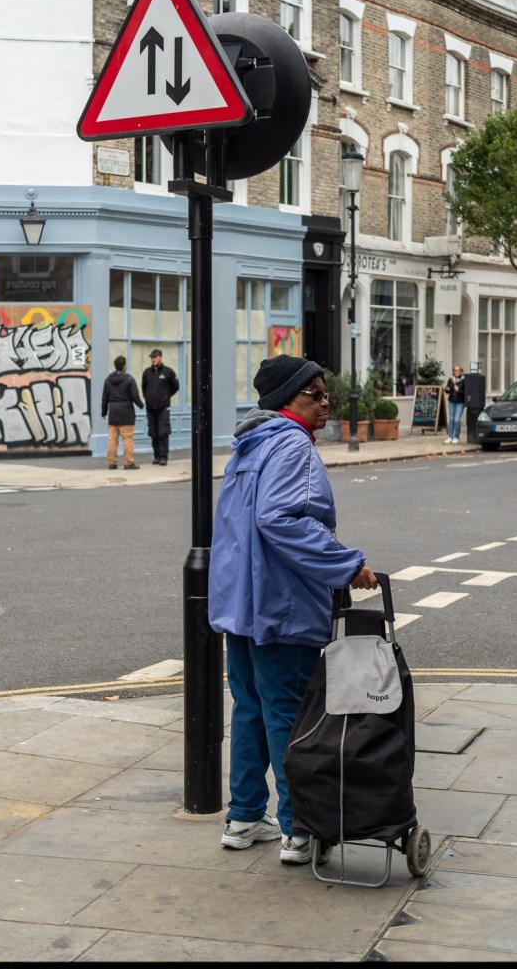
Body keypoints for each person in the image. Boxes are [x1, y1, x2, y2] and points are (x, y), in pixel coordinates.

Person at [208, 354, 378, 865]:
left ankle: (242, 818)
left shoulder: (249, 446)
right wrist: (347, 565)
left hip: (240, 607)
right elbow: (280, 520)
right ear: (287, 400)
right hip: (278, 607)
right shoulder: (293, 445)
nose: (326, 403)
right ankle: (297, 830)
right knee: (292, 716)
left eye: (325, 394)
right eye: (316, 394)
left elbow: (242, 528)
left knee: (251, 710)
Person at [101, 355, 144, 470]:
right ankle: (128, 462)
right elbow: (135, 396)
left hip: (113, 413)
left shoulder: (108, 380)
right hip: (126, 414)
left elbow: (105, 397)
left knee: (112, 440)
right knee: (127, 438)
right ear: (124, 366)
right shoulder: (129, 379)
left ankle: (112, 462)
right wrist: (141, 405)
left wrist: (103, 412)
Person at [141, 348, 179, 465]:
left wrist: (166, 396)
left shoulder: (168, 372)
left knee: (163, 433)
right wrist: (148, 398)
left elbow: (176, 386)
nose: (153, 359)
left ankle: (163, 457)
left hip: (163, 408)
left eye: (155, 357)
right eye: (152, 357)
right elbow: (144, 388)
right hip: (151, 408)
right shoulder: (147, 372)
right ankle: (156, 456)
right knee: (153, 433)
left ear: (160, 358)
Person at [444, 364, 465, 444]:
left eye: (458, 370)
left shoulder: (464, 380)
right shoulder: (451, 379)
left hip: (460, 402)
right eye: (455, 370)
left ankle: (456, 437)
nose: (456, 372)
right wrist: (447, 389)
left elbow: (465, 393)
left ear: (461, 372)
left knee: (456, 420)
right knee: (451, 419)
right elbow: (448, 391)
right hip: (452, 401)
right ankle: (450, 436)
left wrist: (458, 390)